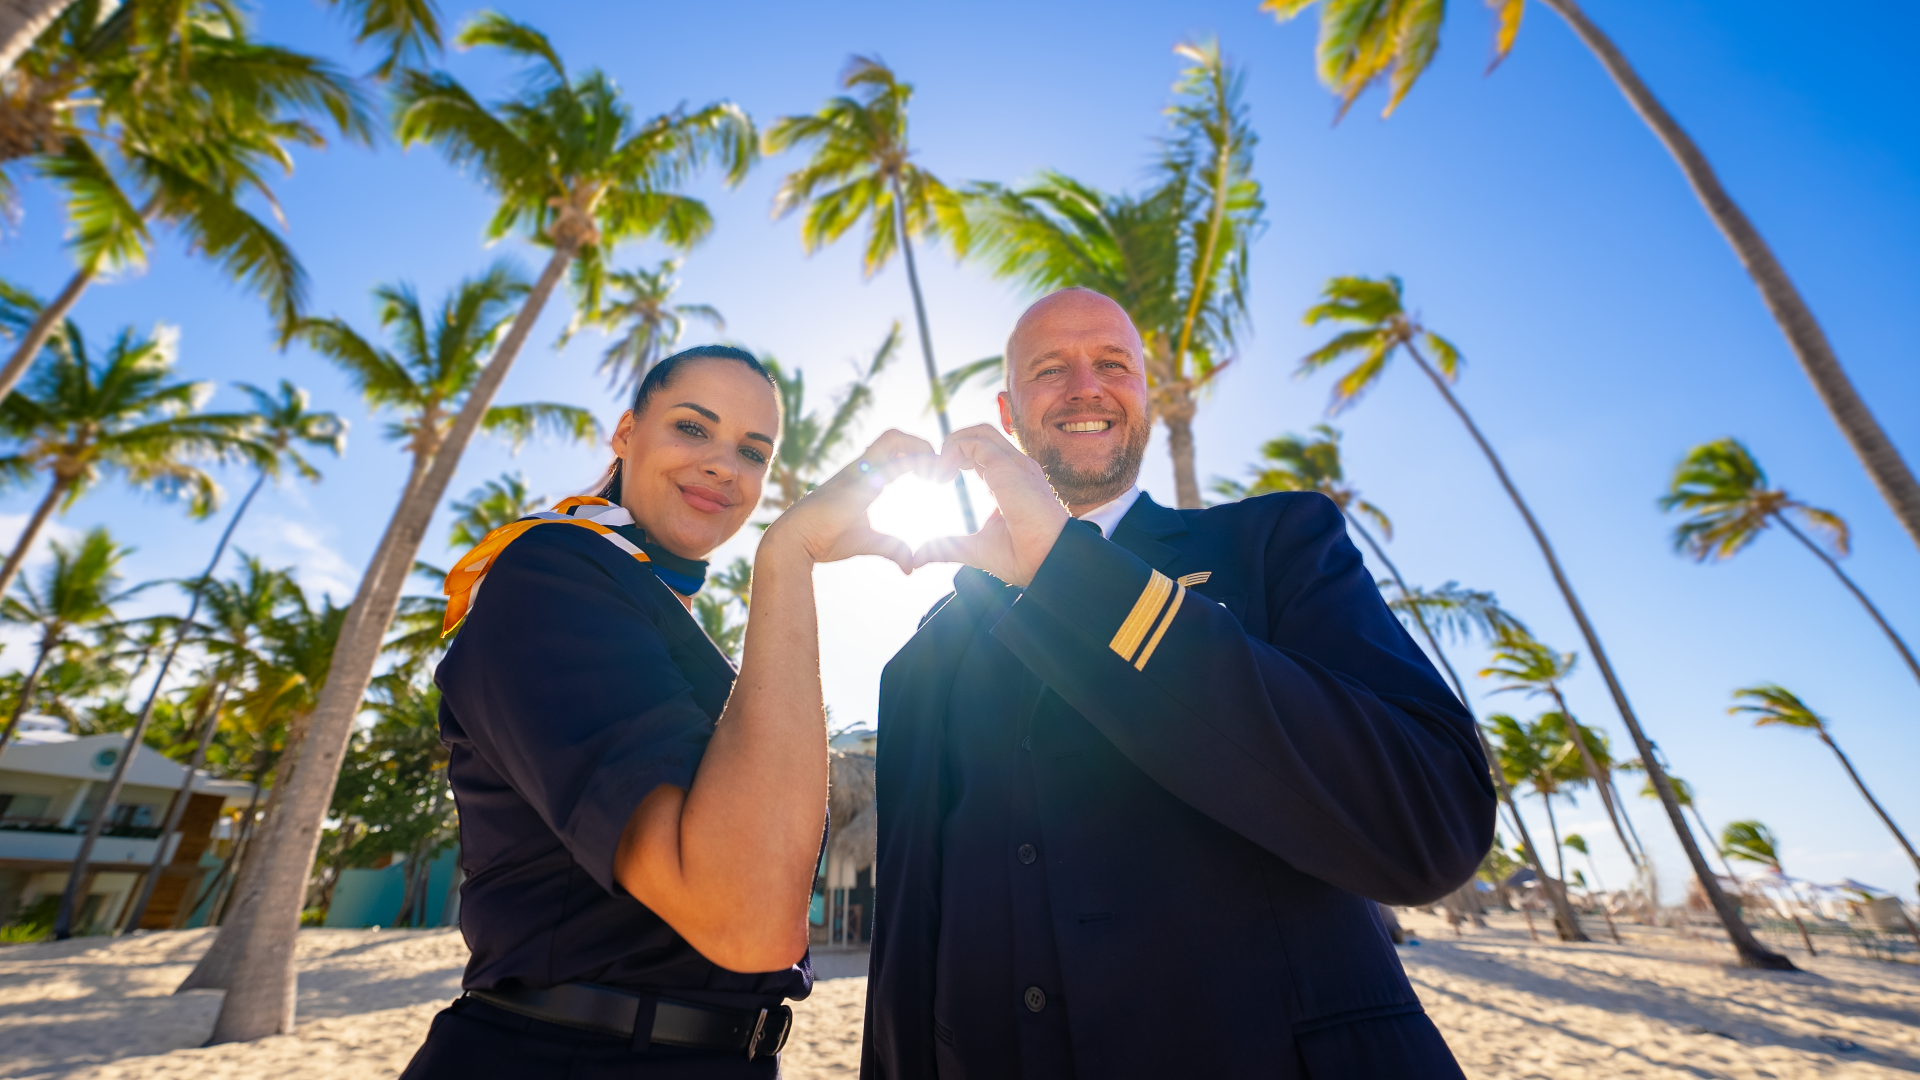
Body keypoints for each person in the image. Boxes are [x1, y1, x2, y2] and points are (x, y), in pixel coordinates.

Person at [863, 290, 1498, 1078]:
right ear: (1009, 409)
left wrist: (1076, 573)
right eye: (1050, 369)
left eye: (1113, 364)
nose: (1085, 386)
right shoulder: (927, 657)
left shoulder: (1278, 546)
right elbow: (906, 957)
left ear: (1147, 397)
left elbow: (1431, 824)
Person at [401, 345, 930, 1079]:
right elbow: (745, 918)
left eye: (753, 450)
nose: (724, 464)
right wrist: (788, 556)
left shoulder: (653, 611)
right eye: (692, 427)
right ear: (625, 435)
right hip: (569, 1055)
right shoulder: (553, 571)